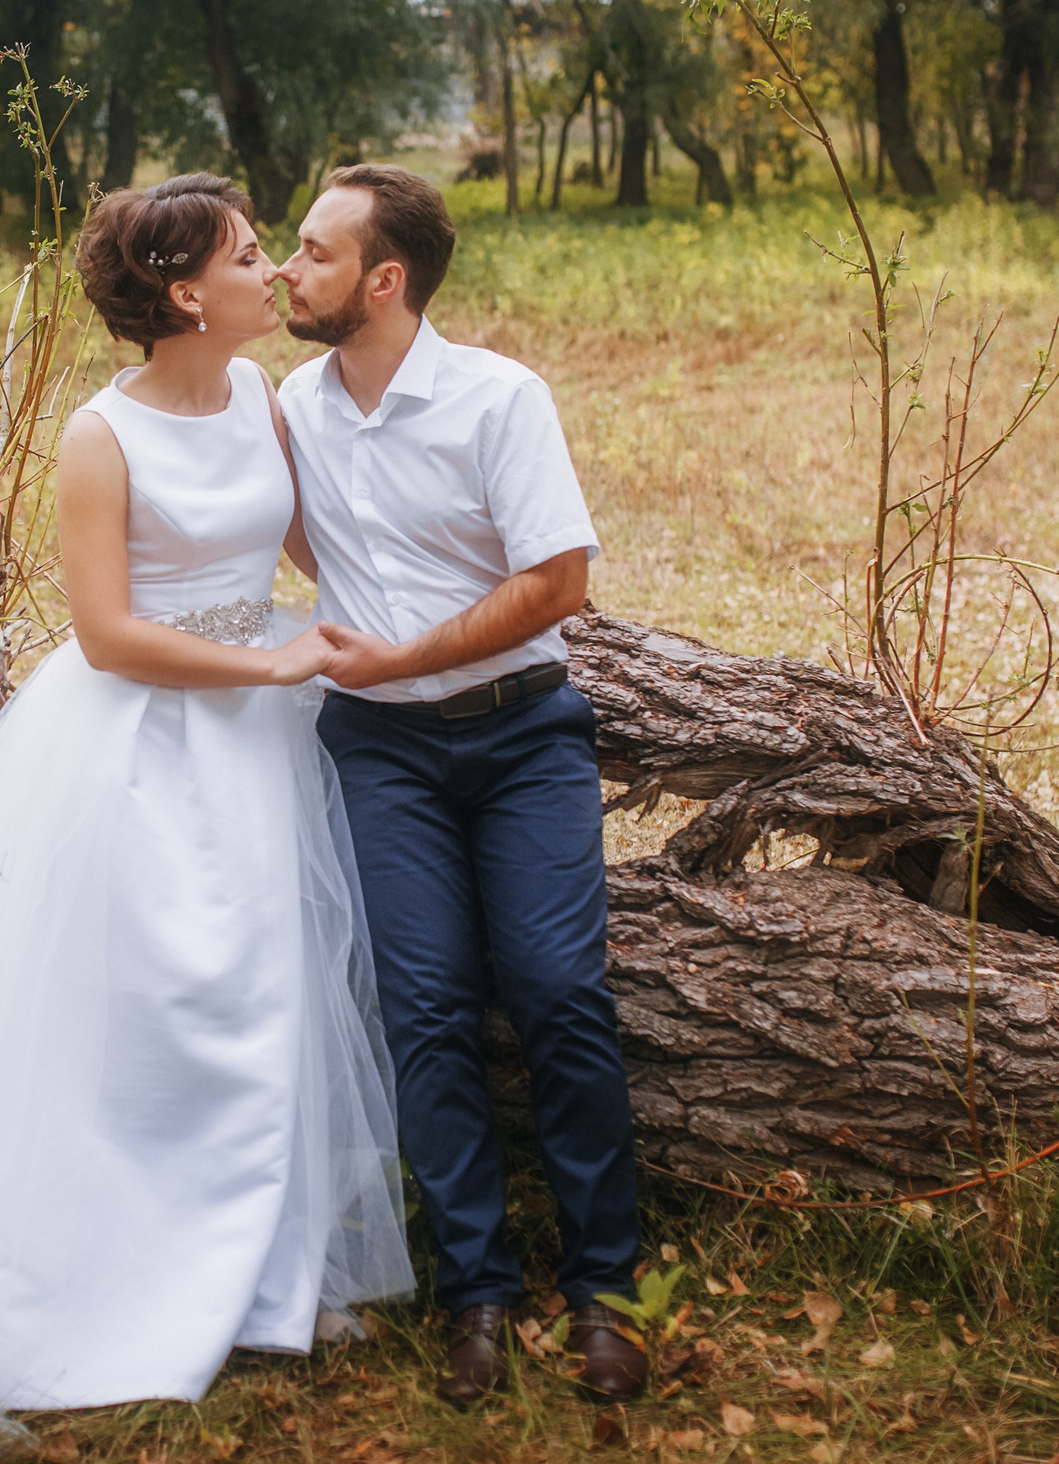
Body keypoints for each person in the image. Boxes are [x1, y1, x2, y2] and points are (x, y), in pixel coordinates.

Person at [0, 174, 413, 1438]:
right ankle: (109, 1273)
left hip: (255, 747)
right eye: (252, 257)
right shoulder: (101, 435)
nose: (275, 274)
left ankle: (253, 1268)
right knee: (141, 1007)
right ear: (188, 294)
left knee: (259, 991)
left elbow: (307, 547)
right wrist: (274, 663)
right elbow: (111, 634)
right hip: (137, 742)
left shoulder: (259, 394)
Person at [279, 164, 646, 1405]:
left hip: (520, 738)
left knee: (555, 990)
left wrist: (403, 651)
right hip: (378, 752)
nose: (289, 267)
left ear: (385, 281)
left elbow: (557, 585)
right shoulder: (292, 401)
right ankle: (476, 1290)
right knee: (422, 1006)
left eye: (315, 253)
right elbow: (286, 534)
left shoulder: (499, 397)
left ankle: (606, 1290)